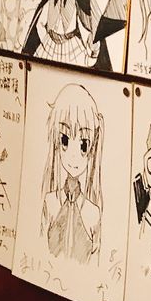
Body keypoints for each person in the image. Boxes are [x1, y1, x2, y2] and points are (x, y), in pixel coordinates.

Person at [41, 83, 104, 263]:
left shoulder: (93, 213)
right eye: (65, 140)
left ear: (92, 146)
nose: (74, 155)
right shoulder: (50, 202)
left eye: (84, 144)